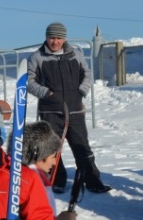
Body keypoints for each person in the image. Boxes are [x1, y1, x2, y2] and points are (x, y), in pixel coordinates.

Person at [27, 22, 111, 194]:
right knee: (51, 148)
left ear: (64, 39)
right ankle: (57, 180)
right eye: (52, 38)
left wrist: (81, 91)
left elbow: (87, 74)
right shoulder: (37, 57)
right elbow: (30, 82)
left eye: (59, 38)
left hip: (75, 110)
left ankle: (92, 180)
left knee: (82, 146)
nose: (55, 42)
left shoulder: (75, 54)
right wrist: (47, 93)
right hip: (51, 111)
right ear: (46, 38)